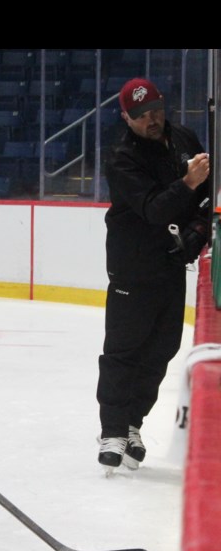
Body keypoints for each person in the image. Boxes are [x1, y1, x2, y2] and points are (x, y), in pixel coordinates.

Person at [96, 78, 212, 473]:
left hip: (171, 263)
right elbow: (154, 210)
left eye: (158, 110)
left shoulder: (183, 138)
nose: (154, 120)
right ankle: (112, 430)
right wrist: (188, 183)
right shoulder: (122, 157)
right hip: (133, 264)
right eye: (143, 115)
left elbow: (206, 196)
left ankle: (132, 423)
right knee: (124, 350)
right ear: (126, 117)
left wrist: (198, 232)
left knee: (162, 348)